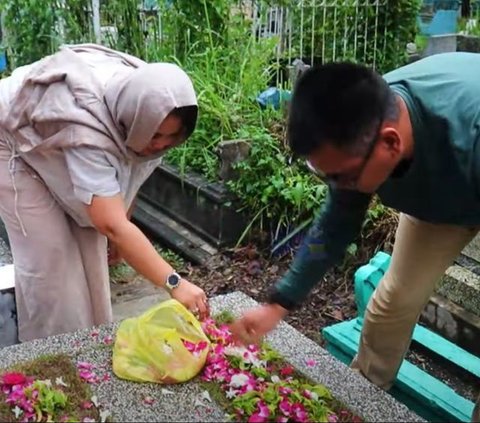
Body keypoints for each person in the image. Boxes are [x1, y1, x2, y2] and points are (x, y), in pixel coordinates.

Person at [230, 52, 480, 421]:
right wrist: (278, 303)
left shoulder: (466, 134)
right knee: (394, 300)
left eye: (342, 178)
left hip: (465, 157)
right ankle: (361, 398)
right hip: (444, 195)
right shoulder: (360, 125)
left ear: (390, 144)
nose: (339, 189)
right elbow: (334, 226)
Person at [0, 43, 209, 342]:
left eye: (171, 137)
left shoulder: (147, 102)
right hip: (10, 138)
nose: (161, 144)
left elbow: (131, 171)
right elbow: (111, 223)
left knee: (93, 243)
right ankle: (51, 349)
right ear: (136, 120)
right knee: (52, 255)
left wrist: (120, 227)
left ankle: (92, 340)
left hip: (52, 139)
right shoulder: (90, 130)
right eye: (157, 135)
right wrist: (174, 283)